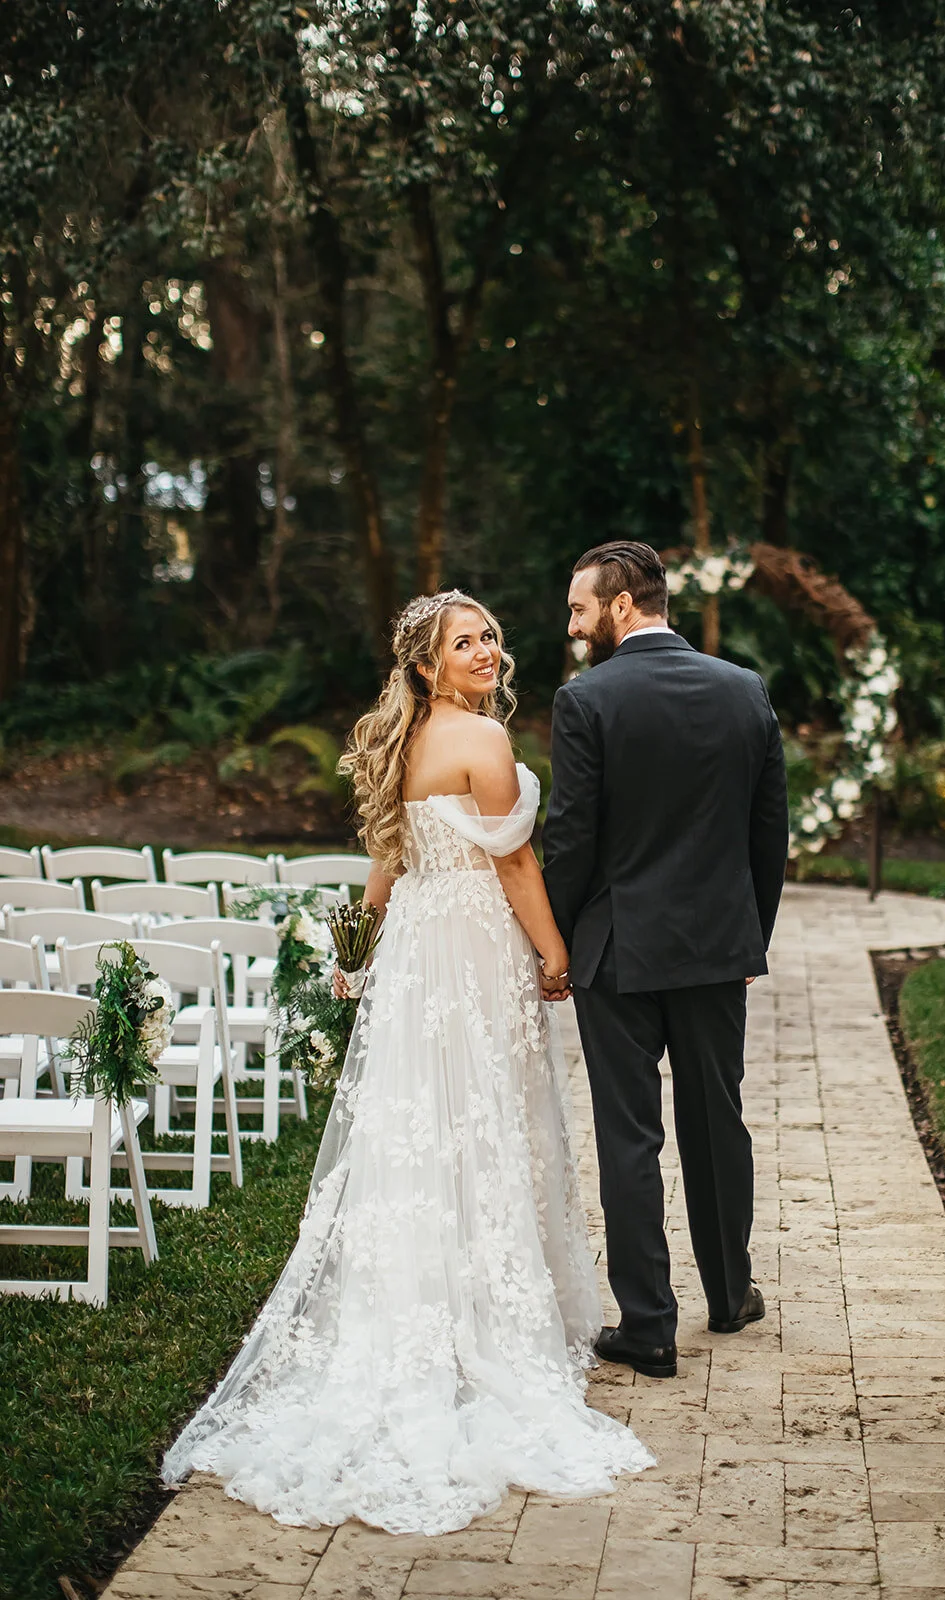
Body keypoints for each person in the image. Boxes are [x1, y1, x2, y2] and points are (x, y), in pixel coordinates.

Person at [161, 590, 651, 1533]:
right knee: (482, 1117)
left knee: (420, 1120)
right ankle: (479, 1327)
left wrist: (364, 947)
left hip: (422, 947)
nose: (486, 652)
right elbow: (514, 868)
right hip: (471, 942)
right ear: (426, 664)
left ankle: (422, 1301)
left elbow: (382, 861)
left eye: (490, 637)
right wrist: (552, 953)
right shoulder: (486, 744)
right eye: (463, 643)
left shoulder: (398, 742)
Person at [542, 541, 789, 1380]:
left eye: (579, 609)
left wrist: (557, 940)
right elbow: (768, 836)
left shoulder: (586, 701)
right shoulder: (744, 690)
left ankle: (646, 1326)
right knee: (717, 1120)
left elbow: (571, 841)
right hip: (719, 947)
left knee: (628, 1134)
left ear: (618, 604)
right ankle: (729, 1295)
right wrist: (748, 937)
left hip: (617, 952)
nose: (571, 626)